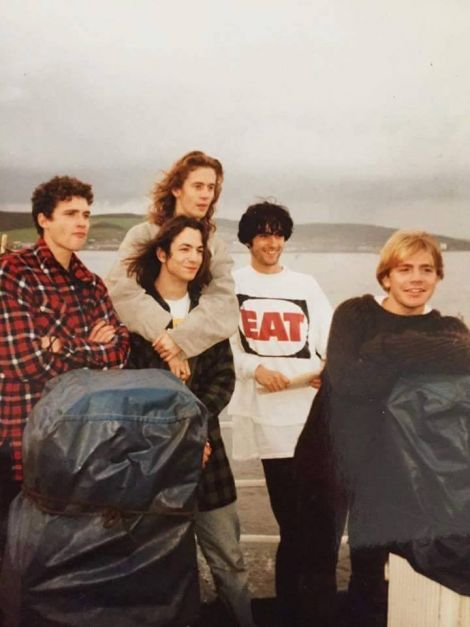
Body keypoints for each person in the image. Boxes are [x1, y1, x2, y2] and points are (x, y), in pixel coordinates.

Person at [295, 229, 470, 627]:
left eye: (427, 269)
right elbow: (350, 381)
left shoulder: (448, 329)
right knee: (314, 563)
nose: (416, 278)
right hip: (330, 456)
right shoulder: (355, 313)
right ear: (386, 276)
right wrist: (416, 354)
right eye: (404, 268)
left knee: (372, 572)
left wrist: (384, 349)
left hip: (390, 469)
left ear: (439, 277)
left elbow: (466, 352)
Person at [122, 215, 256, 627]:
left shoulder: (209, 310)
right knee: (165, 564)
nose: (195, 257)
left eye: (200, 249)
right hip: (159, 460)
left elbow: (224, 378)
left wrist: (197, 429)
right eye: (184, 248)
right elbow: (137, 387)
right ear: (161, 253)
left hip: (209, 458)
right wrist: (181, 436)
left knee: (230, 562)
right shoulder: (137, 315)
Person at [0, 175, 129, 556]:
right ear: (43, 219)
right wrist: (90, 345)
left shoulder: (90, 283)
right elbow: (21, 361)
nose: (82, 223)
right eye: (71, 213)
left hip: (79, 444)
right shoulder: (13, 273)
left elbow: (119, 354)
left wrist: (56, 344)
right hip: (21, 439)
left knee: (62, 559)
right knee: (11, 554)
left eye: (86, 214)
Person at [227, 202, 332, 626]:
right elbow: (226, 348)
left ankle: (308, 609)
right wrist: (256, 368)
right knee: (292, 521)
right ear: (249, 238)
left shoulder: (305, 284)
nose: (272, 242)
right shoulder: (234, 284)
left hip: (310, 416)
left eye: (278, 234)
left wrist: (330, 368)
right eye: (264, 233)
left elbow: (329, 337)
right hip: (270, 423)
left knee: (314, 523)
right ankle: (291, 610)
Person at [105, 150, 238, 381]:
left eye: (211, 187)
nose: (206, 195)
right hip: (144, 357)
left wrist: (181, 340)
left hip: (200, 365)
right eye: (198, 186)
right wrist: (168, 339)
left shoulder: (215, 246)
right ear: (176, 189)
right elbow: (122, 292)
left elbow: (223, 302)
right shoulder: (142, 235)